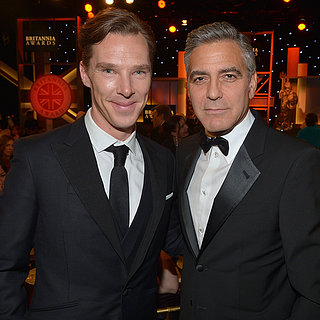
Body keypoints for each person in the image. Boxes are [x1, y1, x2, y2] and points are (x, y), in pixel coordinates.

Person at [0, 8, 182, 320]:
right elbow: (5, 265)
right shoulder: (37, 157)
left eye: (139, 71)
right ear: (85, 73)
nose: (126, 88)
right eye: (109, 71)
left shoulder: (163, 160)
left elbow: (180, 238)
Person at [176, 21, 320, 319]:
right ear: (188, 87)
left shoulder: (296, 162)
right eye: (200, 78)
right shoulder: (185, 151)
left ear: (252, 84)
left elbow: (313, 291)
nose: (212, 93)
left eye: (228, 76)